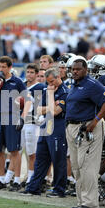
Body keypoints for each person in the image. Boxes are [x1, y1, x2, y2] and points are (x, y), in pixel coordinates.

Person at [65, 56, 105, 208]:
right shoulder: (75, 85)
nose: (75, 72)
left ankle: (91, 203)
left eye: (78, 69)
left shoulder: (92, 84)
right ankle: (82, 201)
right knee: (76, 166)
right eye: (73, 69)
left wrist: (95, 120)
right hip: (73, 128)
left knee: (87, 165)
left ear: (86, 70)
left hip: (87, 127)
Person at [21, 68, 69, 197]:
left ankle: (59, 189)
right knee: (41, 158)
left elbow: (55, 112)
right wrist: (50, 105)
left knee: (58, 159)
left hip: (58, 127)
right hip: (45, 126)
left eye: (52, 81)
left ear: (59, 77)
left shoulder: (64, 92)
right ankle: (34, 187)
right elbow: (38, 109)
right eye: (48, 82)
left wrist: (50, 96)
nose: (50, 85)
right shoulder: (47, 89)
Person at [0, 56, 32, 191]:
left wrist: (22, 117)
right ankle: (2, 179)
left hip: (12, 117)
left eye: (3, 67)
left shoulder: (17, 81)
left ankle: (17, 180)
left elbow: (28, 99)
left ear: (9, 67)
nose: (1, 69)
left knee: (14, 150)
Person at [21, 63, 46, 187]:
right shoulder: (24, 86)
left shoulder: (40, 87)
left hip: (33, 122)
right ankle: (29, 177)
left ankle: (32, 179)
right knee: (25, 152)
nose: (29, 75)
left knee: (33, 154)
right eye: (28, 72)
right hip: (23, 122)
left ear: (36, 74)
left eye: (32, 72)